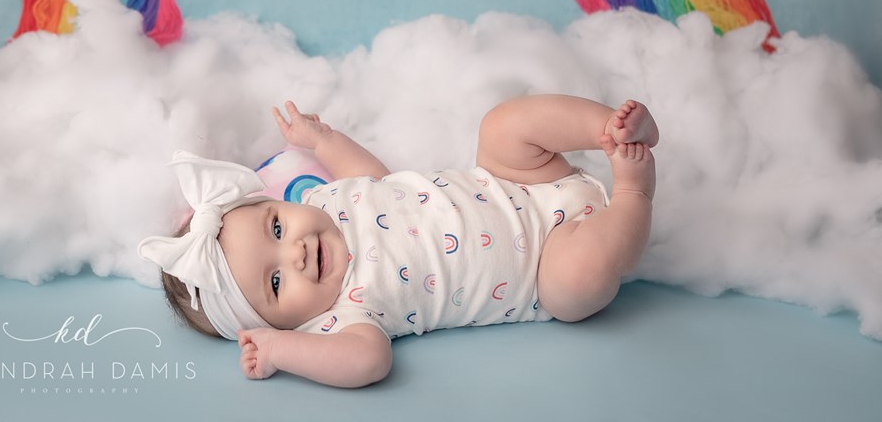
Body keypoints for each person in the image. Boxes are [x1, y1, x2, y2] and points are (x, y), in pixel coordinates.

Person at [138, 94, 658, 388]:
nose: (294, 252)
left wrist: (322, 140)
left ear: (279, 204)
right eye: (275, 282)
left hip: (515, 178)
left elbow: (375, 178)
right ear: (284, 322)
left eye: (276, 228)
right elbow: (368, 364)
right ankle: (634, 187)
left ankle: (611, 131)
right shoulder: (343, 317)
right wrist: (281, 351)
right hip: (547, 263)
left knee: (501, 125)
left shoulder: (327, 203)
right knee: (576, 289)